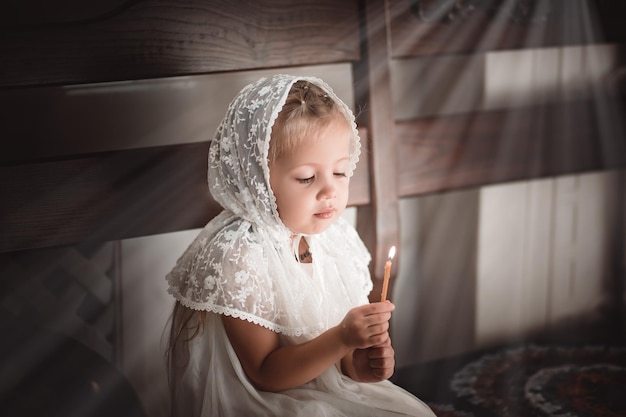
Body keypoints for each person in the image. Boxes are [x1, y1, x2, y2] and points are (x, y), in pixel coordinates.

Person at [165, 74, 435, 417]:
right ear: (258, 177)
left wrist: (363, 365)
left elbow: (342, 365)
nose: (330, 191)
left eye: (339, 173)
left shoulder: (334, 241)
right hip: (264, 402)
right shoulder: (238, 256)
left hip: (322, 391)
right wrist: (342, 338)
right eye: (307, 177)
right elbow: (265, 374)